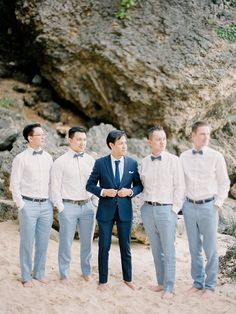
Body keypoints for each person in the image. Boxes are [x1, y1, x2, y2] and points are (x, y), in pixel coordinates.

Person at [86, 130, 143, 290]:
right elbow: (89, 185)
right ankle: (103, 281)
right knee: (104, 246)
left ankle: (128, 278)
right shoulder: (100, 163)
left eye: (125, 143)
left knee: (126, 246)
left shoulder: (132, 163)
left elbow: (139, 185)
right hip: (105, 211)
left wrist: (130, 192)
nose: (124, 146)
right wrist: (103, 192)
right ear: (111, 145)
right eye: (121, 143)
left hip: (125, 211)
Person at [180, 121, 230, 298]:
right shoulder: (184, 156)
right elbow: (180, 183)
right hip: (189, 206)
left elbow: (224, 182)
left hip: (209, 206)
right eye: (202, 134)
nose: (206, 137)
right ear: (193, 135)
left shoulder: (216, 156)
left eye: (208, 134)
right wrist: (180, 205)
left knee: (211, 249)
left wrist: (217, 204)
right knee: (194, 248)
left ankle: (210, 285)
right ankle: (198, 282)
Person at [140, 126, 185, 299]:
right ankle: (160, 283)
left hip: (167, 209)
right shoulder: (144, 162)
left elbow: (180, 187)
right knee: (156, 249)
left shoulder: (174, 161)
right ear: (149, 141)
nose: (162, 142)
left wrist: (174, 210)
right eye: (158, 139)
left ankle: (169, 287)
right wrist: (144, 205)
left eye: (164, 138)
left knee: (169, 250)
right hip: (148, 209)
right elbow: (143, 185)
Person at [51, 126, 96, 284]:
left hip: (88, 207)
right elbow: (54, 187)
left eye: (84, 139)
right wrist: (61, 207)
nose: (82, 143)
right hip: (68, 207)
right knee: (66, 242)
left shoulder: (91, 161)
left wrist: (94, 203)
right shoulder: (60, 162)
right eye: (78, 139)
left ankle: (87, 271)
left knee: (87, 242)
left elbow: (96, 183)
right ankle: (64, 273)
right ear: (70, 140)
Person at [10, 123, 53, 288]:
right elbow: (14, 185)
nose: (43, 137)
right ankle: (26, 276)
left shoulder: (48, 157)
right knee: (27, 242)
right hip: (28, 204)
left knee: (43, 241)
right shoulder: (21, 158)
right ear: (30, 137)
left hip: (46, 205)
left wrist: (51, 202)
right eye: (40, 135)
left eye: (44, 135)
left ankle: (39, 273)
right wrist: (21, 206)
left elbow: (51, 182)